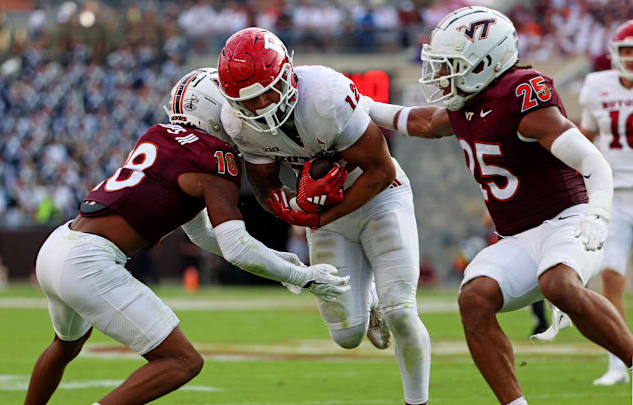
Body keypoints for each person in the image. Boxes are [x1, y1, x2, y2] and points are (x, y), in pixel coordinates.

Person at [24, 68, 350, 405]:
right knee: (182, 361)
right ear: (215, 111)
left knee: (65, 346)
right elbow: (235, 246)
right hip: (88, 262)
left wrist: (277, 261)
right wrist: (303, 276)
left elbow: (202, 234)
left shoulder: (158, 135)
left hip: (58, 244)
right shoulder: (213, 158)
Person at [365, 6, 633, 404]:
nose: (441, 76)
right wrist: (355, 102)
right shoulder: (465, 103)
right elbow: (419, 122)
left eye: (450, 65)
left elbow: (590, 159)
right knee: (474, 300)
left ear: (485, 62)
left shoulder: (521, 95)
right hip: (517, 235)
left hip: (567, 218)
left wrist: (598, 212)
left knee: (557, 283)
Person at [216, 28, 431, 405]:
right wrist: (289, 210)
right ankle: (371, 298)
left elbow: (382, 171)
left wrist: (315, 218)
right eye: (247, 101)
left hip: (380, 197)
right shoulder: (239, 124)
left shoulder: (326, 95)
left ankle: (417, 401)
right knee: (347, 334)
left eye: (265, 92)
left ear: (286, 74)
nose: (260, 106)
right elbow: (266, 189)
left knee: (401, 310)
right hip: (326, 214)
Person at [579, 19, 633, 386]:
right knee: (610, 275)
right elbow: (585, 135)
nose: (629, 58)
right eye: (625, 50)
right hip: (614, 194)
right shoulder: (597, 86)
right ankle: (619, 360)